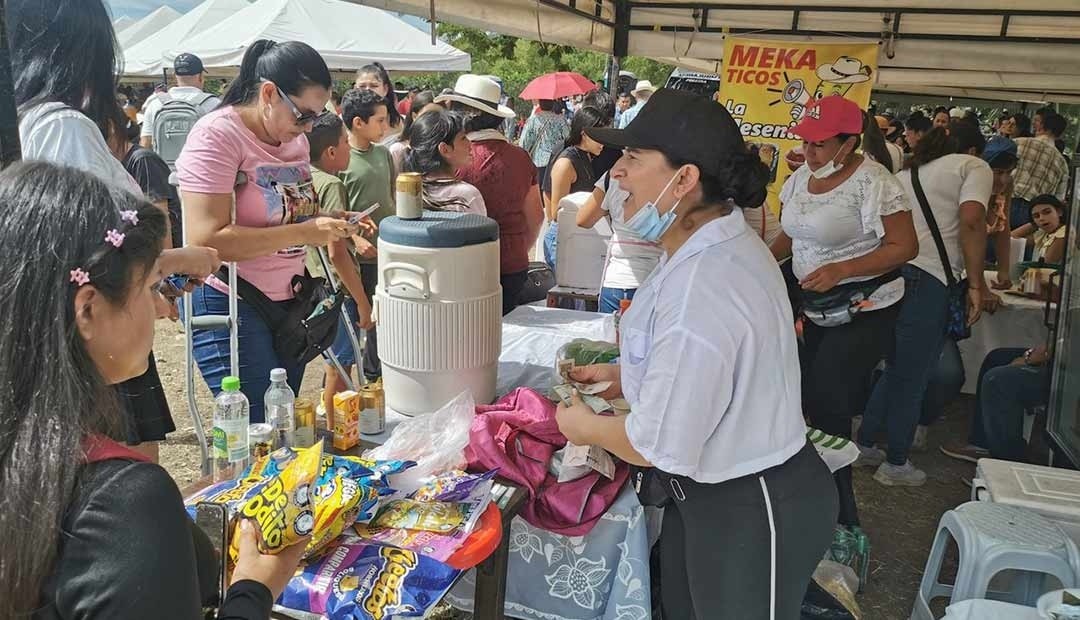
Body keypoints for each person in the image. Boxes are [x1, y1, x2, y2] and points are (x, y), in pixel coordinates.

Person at [557, 88, 837, 618]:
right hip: (711, 496)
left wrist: (582, 426)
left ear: (684, 179)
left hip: (752, 503)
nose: (617, 172)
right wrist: (625, 376)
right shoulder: (707, 246)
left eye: (634, 157)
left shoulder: (703, 286)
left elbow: (656, 443)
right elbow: (713, 369)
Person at [0, 161, 306, 619]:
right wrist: (253, 590)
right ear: (87, 310)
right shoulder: (124, 502)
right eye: (149, 287)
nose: (162, 310)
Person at [9, 0, 220, 459]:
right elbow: (89, 254)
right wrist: (174, 260)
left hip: (72, 337)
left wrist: (155, 277)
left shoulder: (27, 121)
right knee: (125, 471)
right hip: (97, 344)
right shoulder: (63, 126)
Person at [178, 40, 358, 423]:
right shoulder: (217, 136)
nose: (308, 128)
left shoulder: (294, 141)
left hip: (289, 303)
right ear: (269, 93)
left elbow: (286, 213)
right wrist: (305, 233)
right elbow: (205, 239)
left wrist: (329, 218)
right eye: (303, 116)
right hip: (229, 295)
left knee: (282, 422)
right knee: (257, 428)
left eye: (317, 118)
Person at [769, 95, 917, 543]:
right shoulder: (801, 178)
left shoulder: (874, 182)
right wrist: (759, 260)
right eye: (805, 142)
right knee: (808, 398)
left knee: (828, 399)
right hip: (815, 306)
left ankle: (839, 511)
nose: (809, 152)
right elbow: (790, 235)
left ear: (849, 143)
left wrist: (843, 269)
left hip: (863, 307)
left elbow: (904, 246)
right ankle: (815, 496)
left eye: (819, 144)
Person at [855, 122, 990, 486]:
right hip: (929, 278)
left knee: (897, 367)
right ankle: (895, 462)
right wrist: (976, 284)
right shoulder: (973, 166)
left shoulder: (908, 173)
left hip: (893, 272)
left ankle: (866, 444)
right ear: (973, 149)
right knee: (914, 375)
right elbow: (973, 220)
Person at [438, 74, 542, 315]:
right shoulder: (520, 157)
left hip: (462, 267)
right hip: (512, 263)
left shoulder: (454, 158)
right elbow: (536, 217)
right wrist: (517, 247)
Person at [306, 112, 376, 420]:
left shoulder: (307, 177)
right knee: (341, 362)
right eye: (346, 143)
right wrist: (362, 301)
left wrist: (350, 221)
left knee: (332, 358)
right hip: (338, 287)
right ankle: (338, 428)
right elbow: (336, 253)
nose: (350, 148)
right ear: (331, 152)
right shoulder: (333, 184)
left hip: (314, 282)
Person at [339, 88, 395, 382]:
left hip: (385, 252)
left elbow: (391, 198)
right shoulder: (340, 160)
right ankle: (343, 383)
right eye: (380, 121)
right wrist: (354, 239)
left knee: (382, 318)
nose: (385, 127)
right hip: (354, 259)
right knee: (354, 321)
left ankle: (375, 376)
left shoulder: (384, 154)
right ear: (358, 123)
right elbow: (333, 215)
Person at [541, 105, 605, 270]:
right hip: (561, 239)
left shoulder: (585, 156)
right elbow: (556, 213)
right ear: (584, 134)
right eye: (599, 136)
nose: (603, 142)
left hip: (576, 235)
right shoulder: (566, 163)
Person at [403, 109, 487, 214]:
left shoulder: (410, 192)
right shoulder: (467, 196)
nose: (469, 143)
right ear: (445, 150)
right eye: (463, 138)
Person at [139, 53, 221, 149]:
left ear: (174, 75)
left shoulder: (155, 103)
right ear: (201, 76)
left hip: (164, 159)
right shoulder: (214, 104)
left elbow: (145, 142)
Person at [1010, 112, 1069, 230]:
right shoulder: (1062, 164)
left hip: (1006, 202)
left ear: (1041, 125)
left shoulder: (1017, 143)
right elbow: (1058, 199)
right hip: (1034, 213)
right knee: (1020, 241)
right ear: (1060, 134)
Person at [519, 99, 570, 182]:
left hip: (539, 162)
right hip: (557, 160)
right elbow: (568, 138)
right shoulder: (561, 120)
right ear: (553, 104)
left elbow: (524, 143)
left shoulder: (533, 120)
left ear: (540, 104)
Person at [388, 89, 438, 173]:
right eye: (428, 115)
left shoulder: (445, 149)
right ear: (414, 116)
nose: (433, 120)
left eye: (438, 115)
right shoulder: (398, 150)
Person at [1012, 194, 1069, 265]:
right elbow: (1012, 238)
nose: (1041, 218)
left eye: (1047, 212)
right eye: (1036, 216)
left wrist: (1037, 221)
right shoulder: (1045, 233)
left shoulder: (1064, 233)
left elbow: (1047, 264)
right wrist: (1035, 223)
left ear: (1059, 212)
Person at [355, 62, 404, 143]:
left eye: (373, 86)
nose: (368, 90)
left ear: (385, 89)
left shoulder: (398, 122)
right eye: (362, 86)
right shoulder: (343, 122)